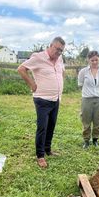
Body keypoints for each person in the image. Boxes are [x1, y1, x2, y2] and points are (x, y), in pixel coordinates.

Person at [18, 37, 65, 168]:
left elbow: (62, 71)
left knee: (51, 125)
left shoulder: (60, 59)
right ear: (50, 46)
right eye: (57, 49)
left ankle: (48, 149)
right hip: (42, 100)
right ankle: (40, 155)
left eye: (61, 51)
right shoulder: (38, 58)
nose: (58, 53)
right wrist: (32, 84)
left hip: (56, 99)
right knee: (42, 127)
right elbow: (21, 69)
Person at [78, 50, 99, 148]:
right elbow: (80, 84)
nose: (95, 62)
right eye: (92, 60)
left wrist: (98, 93)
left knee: (98, 120)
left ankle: (95, 139)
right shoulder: (83, 72)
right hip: (87, 98)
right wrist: (89, 92)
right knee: (86, 120)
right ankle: (86, 140)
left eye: (96, 60)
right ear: (88, 60)